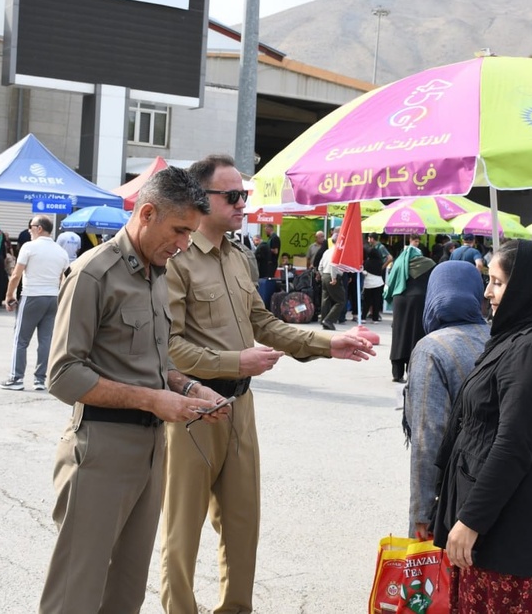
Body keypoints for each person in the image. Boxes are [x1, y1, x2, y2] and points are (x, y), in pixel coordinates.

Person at [160, 154, 376, 614]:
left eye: (245, 195)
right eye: (233, 195)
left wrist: (326, 343)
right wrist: (236, 361)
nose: (243, 203)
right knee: (182, 533)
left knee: (242, 526)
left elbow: (264, 322)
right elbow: (169, 348)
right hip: (191, 409)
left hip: (240, 408)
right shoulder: (176, 261)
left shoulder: (239, 257)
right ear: (203, 198)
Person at [38, 168, 227, 613]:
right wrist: (151, 399)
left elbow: (155, 366)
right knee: (75, 592)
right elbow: (63, 375)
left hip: (150, 449)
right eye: (179, 230)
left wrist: (189, 387)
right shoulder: (93, 274)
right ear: (146, 213)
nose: (184, 244)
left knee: (125, 591)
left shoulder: (155, 273)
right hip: (100, 448)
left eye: (190, 233)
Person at [431, 240, 532, 612]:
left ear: (527, 287)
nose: (487, 292)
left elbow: (513, 444)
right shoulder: (516, 337)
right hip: (501, 527)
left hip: (517, 537)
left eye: (497, 283)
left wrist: (471, 520)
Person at [404, 262, 490, 540]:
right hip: (495, 486)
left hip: (452, 495)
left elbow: (428, 436)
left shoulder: (432, 348)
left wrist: (422, 512)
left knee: (434, 579)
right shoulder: (499, 337)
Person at [0, 216, 70, 392]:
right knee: (45, 340)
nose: (29, 230)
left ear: (39, 228)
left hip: (32, 296)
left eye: (31, 227)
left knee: (21, 339)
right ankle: (40, 379)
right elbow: (65, 277)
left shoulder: (29, 247)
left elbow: (16, 275)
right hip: (53, 297)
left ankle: (16, 378)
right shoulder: (60, 251)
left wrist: (9, 296)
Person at [385, 246, 435, 383]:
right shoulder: (429, 264)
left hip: (400, 300)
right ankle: (411, 371)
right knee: (415, 334)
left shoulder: (399, 262)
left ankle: (397, 372)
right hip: (420, 300)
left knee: (399, 334)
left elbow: (391, 283)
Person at [317, 227, 345, 330]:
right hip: (332, 275)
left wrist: (322, 274)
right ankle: (328, 320)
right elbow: (334, 265)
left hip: (324, 274)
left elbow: (320, 266)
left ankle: (324, 320)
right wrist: (333, 277)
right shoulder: (338, 252)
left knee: (326, 299)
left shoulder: (327, 251)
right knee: (341, 300)